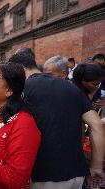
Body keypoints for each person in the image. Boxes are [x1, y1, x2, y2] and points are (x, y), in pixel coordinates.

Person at [9, 51, 105, 189]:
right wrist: (96, 166)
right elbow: (97, 125)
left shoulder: (24, 90)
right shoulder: (72, 88)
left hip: (44, 175)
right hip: (77, 172)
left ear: (21, 69)